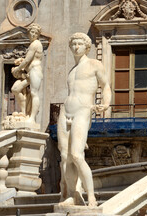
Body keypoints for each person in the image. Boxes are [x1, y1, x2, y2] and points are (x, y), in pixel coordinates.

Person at [57, 32, 111, 207]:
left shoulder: (95, 64)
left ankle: (92, 197)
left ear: (87, 46)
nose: (76, 47)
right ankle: (73, 195)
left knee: (76, 155)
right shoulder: (72, 71)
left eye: (80, 44)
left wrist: (105, 103)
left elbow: (105, 86)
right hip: (65, 111)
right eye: (73, 44)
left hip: (82, 110)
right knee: (65, 157)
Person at [11, 23, 43, 123]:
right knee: (15, 89)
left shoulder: (35, 44)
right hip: (29, 72)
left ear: (38, 35)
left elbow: (27, 61)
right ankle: (24, 113)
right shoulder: (32, 44)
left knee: (34, 93)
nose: (33, 34)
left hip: (35, 70)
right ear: (28, 33)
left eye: (35, 33)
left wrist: (17, 69)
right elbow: (27, 59)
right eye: (32, 32)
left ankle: (32, 118)